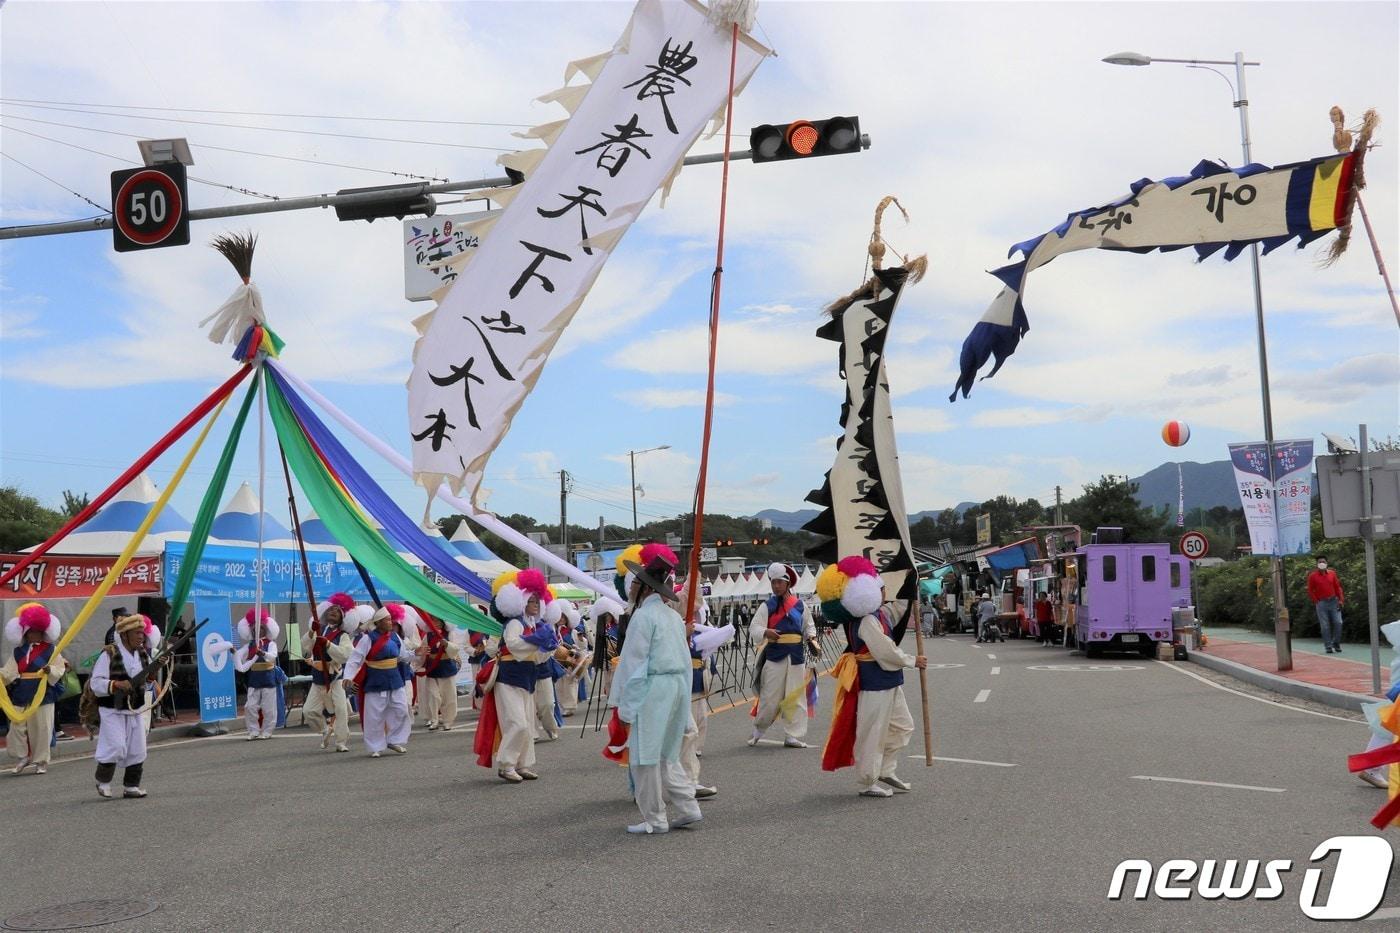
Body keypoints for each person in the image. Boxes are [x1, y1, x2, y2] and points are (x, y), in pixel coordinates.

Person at [609, 544, 702, 834]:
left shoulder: (643, 617)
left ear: (644, 587)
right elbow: (685, 662)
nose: (632, 586)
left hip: (653, 687)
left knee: (645, 756)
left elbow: (635, 667)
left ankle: (655, 818)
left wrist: (626, 707)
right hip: (675, 686)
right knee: (667, 754)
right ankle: (688, 806)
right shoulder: (672, 617)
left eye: (636, 582)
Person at [819, 557, 927, 798]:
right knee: (873, 732)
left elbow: (898, 609)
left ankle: (885, 769)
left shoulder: (879, 614)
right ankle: (867, 780)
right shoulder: (866, 620)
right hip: (873, 683)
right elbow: (885, 650)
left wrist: (911, 585)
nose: (885, 592)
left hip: (889, 680)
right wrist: (912, 660)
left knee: (902, 726)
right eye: (881, 589)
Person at [474, 569, 556, 783]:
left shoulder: (533, 625)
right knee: (516, 722)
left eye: (538, 599)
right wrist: (537, 640)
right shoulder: (514, 623)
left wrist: (548, 646)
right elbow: (513, 645)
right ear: (521, 602)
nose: (536, 602)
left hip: (527, 677)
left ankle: (523, 764)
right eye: (531, 599)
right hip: (508, 677)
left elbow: (537, 657)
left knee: (528, 723)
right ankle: (506, 764)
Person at [747, 562, 820, 749]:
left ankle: (792, 735)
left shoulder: (800, 605)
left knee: (795, 696)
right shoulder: (767, 606)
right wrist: (766, 632)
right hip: (775, 655)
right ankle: (758, 730)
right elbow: (754, 627)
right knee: (769, 697)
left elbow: (809, 626)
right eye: (773, 582)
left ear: (787, 583)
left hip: (796, 656)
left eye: (780, 582)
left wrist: (811, 638)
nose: (776, 586)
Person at [89, 614, 155, 798]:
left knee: (138, 748)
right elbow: (96, 683)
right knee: (116, 746)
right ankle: (103, 782)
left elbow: (147, 682)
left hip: (134, 709)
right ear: (125, 634)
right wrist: (116, 685)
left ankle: (131, 786)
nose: (141, 636)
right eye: (137, 633)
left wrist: (153, 673)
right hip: (112, 709)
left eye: (142, 633)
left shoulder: (142, 654)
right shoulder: (109, 654)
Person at [342, 605, 417, 758]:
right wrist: (348, 677)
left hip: (395, 679)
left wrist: (416, 653)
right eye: (388, 620)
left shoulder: (395, 637)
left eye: (390, 619)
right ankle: (375, 746)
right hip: (375, 680)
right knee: (374, 715)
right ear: (379, 623)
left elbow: (404, 656)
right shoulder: (368, 639)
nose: (391, 622)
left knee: (401, 710)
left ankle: (394, 740)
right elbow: (355, 659)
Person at [2, 604, 68, 776]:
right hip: (22, 691)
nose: (34, 634)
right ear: (25, 633)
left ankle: (41, 761)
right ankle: (22, 757)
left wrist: (50, 671)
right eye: (31, 631)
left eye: (37, 631)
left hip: (43, 693)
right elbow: (9, 671)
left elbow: (59, 668)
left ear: (43, 632)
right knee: (17, 727)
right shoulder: (18, 652)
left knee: (42, 727)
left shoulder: (51, 650)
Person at [681, 589, 733, 799]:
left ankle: (696, 751)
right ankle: (687, 779)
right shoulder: (680, 630)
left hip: (699, 675)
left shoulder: (700, 631)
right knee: (690, 725)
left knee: (701, 719)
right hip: (685, 678)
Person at [300, 593, 356, 752]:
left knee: (340, 710)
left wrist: (329, 644)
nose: (333, 612)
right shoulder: (319, 629)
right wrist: (312, 631)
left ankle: (341, 741)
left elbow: (345, 655)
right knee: (309, 711)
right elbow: (305, 646)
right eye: (331, 609)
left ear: (342, 618)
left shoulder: (343, 635)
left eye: (337, 611)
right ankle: (324, 730)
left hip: (335, 678)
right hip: (318, 677)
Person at [232, 608, 280, 740]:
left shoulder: (270, 644)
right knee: (250, 707)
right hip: (254, 679)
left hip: (268, 678)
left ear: (266, 629)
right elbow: (240, 657)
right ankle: (253, 730)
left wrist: (262, 653)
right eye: (253, 627)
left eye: (259, 627)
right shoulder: (250, 645)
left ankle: (267, 731)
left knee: (269, 708)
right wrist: (233, 651)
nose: (256, 630)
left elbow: (272, 657)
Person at [416, 609, 462, 732]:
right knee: (433, 695)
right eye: (432, 620)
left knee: (449, 696)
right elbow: (423, 651)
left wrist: (446, 644)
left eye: (436, 620)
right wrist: (418, 665)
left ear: (442, 622)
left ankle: (448, 721)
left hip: (446, 667)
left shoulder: (449, 634)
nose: (434, 622)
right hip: (432, 668)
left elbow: (456, 649)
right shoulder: (428, 635)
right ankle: (434, 719)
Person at [1307, 557, 1345, 653]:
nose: (1321, 563)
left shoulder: (1332, 573)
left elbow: (1337, 587)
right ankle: (1328, 646)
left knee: (1338, 622)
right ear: (1317, 564)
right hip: (1322, 603)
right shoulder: (1313, 576)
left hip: (1333, 601)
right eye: (1319, 562)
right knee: (1325, 625)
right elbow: (1310, 590)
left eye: (1323, 562)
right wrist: (1316, 601)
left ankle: (1336, 643)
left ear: (1327, 563)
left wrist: (1341, 600)